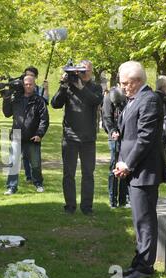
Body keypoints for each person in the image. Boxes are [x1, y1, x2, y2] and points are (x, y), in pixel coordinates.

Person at [114, 61, 166, 278]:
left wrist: (127, 164)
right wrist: (121, 161)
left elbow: (145, 137)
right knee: (139, 219)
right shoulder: (135, 98)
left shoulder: (149, 99)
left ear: (138, 81)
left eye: (126, 83)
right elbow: (127, 135)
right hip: (134, 169)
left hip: (143, 170)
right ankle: (139, 261)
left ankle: (144, 268)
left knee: (145, 220)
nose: (124, 87)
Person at [51, 60, 103, 215]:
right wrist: (63, 85)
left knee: (88, 174)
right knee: (68, 174)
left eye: (86, 70)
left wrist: (81, 88)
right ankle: (70, 206)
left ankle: (87, 207)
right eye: (80, 70)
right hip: (70, 137)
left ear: (91, 71)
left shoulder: (96, 87)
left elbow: (96, 101)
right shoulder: (69, 86)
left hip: (88, 138)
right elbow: (55, 104)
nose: (83, 73)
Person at [2, 75, 49, 195]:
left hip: (33, 135)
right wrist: (6, 97)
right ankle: (11, 187)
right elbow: (7, 113)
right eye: (26, 84)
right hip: (17, 134)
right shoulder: (16, 99)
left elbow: (44, 119)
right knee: (13, 162)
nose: (28, 86)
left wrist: (40, 134)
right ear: (23, 85)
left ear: (34, 85)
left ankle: (38, 183)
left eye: (30, 84)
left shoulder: (39, 100)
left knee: (35, 163)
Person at [102, 85, 130, 208]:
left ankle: (123, 200)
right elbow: (107, 118)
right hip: (113, 136)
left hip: (126, 136)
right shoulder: (109, 98)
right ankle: (112, 200)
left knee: (125, 166)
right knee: (114, 167)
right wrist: (113, 130)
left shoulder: (127, 96)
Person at [22, 66, 50, 184]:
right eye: (27, 75)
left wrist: (46, 89)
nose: (29, 78)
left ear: (35, 78)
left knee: (34, 155)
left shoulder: (38, 89)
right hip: (23, 126)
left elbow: (45, 102)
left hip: (35, 125)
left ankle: (36, 177)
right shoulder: (22, 89)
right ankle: (29, 176)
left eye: (32, 76)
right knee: (25, 155)